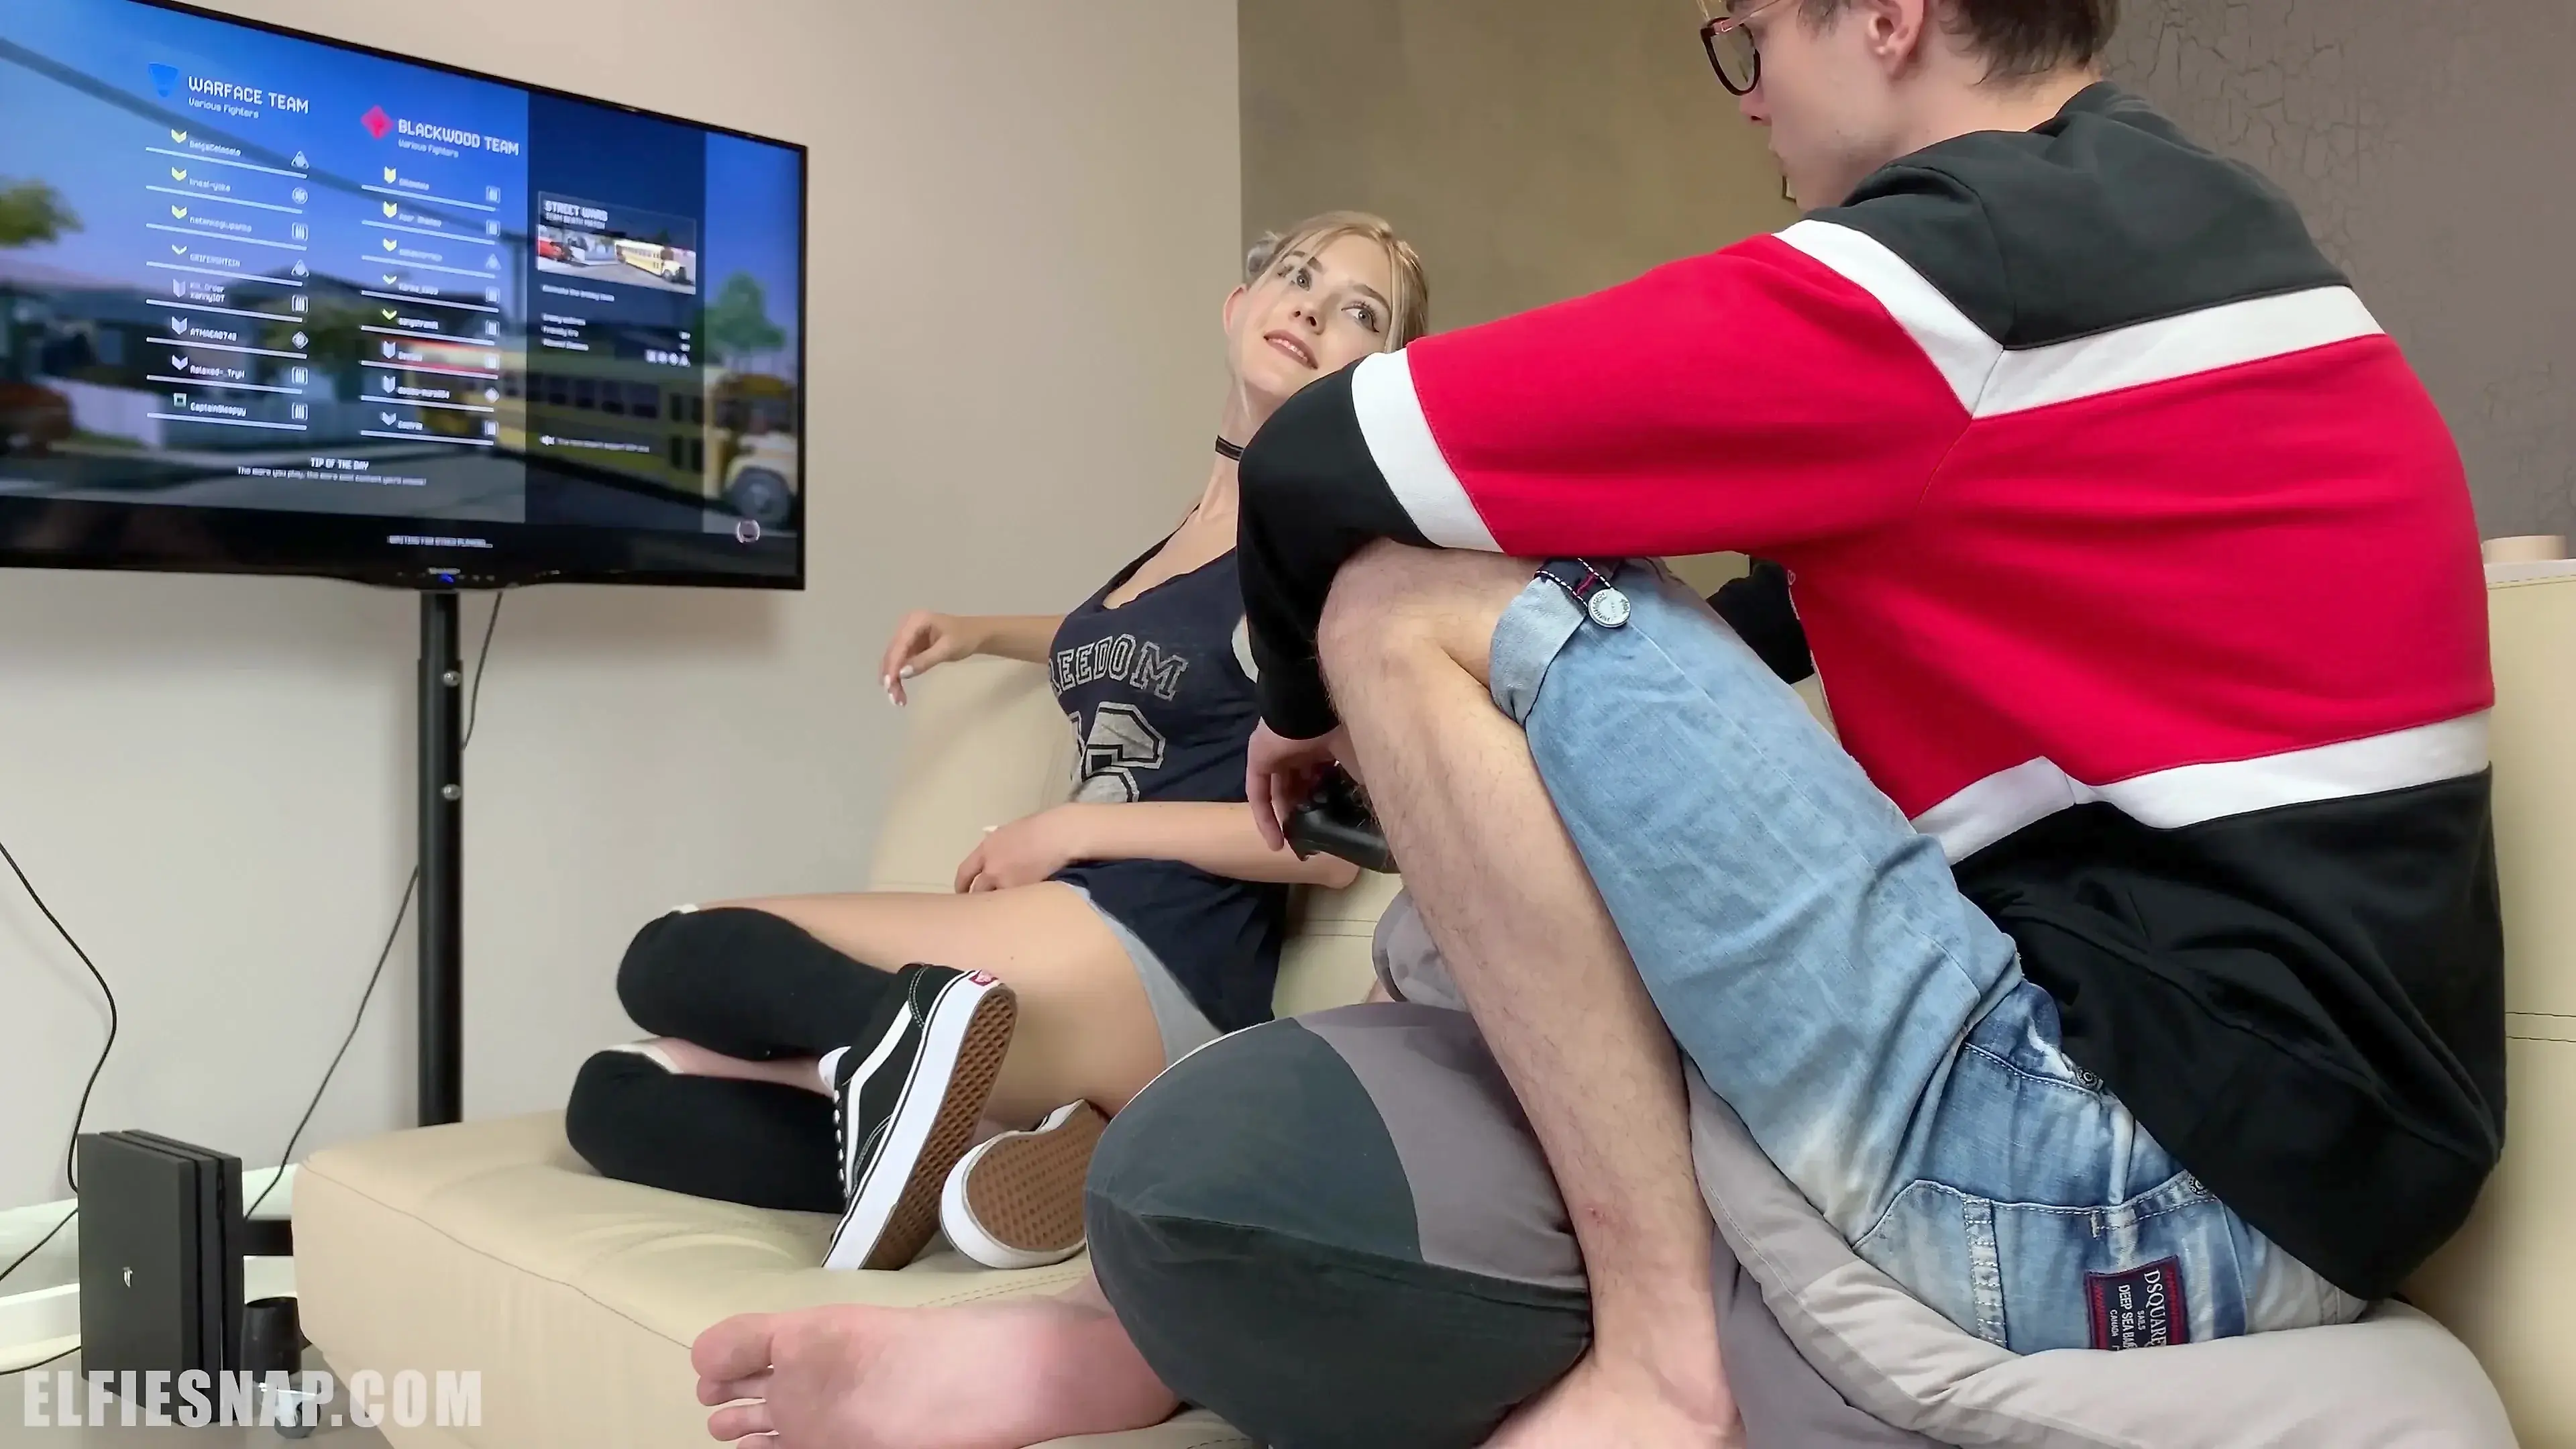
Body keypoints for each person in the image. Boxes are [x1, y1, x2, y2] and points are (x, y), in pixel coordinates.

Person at [688, 0, 2503, 1445]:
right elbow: (1730, 652)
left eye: (1748, 35)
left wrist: (1308, 696)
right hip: (2266, 1178)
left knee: (1410, 594)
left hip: (2125, 1189)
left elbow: (1335, 457)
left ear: (1886, 13)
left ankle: (1661, 1370)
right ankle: (1112, 1331)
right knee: (1464, 876)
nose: (1745, 93)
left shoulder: (1976, 263)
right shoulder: (2178, 240)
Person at [564, 211, 1430, 1276]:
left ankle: (945, 1061)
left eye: (1359, 311)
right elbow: (1137, 641)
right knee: (616, 1097)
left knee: (675, 954)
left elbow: (1331, 846)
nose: (1312, 307)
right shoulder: (1187, 538)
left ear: (1379, 373)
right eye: (1297, 275)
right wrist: (977, 632)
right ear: (1238, 306)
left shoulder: (1326, 552)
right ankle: (993, 1145)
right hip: (1075, 943)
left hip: (1161, 954)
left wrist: (1067, 831)